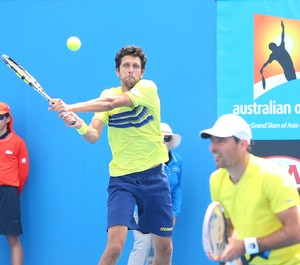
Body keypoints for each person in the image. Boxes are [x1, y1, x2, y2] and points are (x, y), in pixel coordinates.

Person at [49, 45, 173, 265]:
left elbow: (112, 103)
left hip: (154, 176)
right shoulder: (107, 94)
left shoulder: (148, 88)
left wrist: (71, 106)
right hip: (122, 180)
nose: (131, 70)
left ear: (142, 72)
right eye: (126, 66)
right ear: (118, 71)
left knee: (164, 248)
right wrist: (78, 124)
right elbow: (93, 134)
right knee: (115, 246)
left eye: (136, 66)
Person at [200, 114, 300, 265]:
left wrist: (246, 246)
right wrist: (233, 258)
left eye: (220, 141)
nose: (212, 147)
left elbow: (296, 231)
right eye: (212, 141)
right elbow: (229, 226)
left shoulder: (272, 177)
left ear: (243, 143)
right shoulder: (216, 180)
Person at [127, 122, 183, 265]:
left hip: (164, 211)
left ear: (171, 141)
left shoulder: (178, 161)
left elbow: (177, 188)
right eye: (160, 138)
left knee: (162, 249)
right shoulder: (145, 159)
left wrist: (174, 213)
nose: (164, 141)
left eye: (167, 138)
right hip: (142, 209)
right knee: (143, 246)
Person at [0, 102, 29, 265]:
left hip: (8, 193)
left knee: (13, 240)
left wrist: (12, 192)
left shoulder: (17, 142)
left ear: (8, 118)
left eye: (0, 117)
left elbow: (23, 173)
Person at [260, 20, 296, 89]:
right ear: (273, 48)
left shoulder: (278, 50)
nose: (275, 46)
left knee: (294, 85)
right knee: (293, 86)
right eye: (273, 46)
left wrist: (283, 28)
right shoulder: (274, 54)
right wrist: (262, 68)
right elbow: (267, 63)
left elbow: (282, 37)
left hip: (290, 70)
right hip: (288, 71)